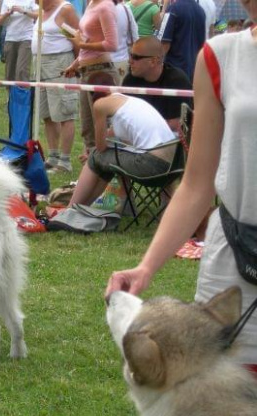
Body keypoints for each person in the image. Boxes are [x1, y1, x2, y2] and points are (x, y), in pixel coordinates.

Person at [106, 0, 257, 375]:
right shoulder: (220, 56)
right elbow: (196, 184)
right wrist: (146, 267)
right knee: (225, 410)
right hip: (234, 265)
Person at [68, 72, 177, 207]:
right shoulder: (129, 102)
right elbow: (112, 138)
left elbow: (100, 147)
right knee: (106, 162)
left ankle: (71, 208)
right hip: (173, 168)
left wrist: (91, 152)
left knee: (97, 157)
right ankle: (82, 208)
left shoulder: (100, 104)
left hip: (153, 166)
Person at [63, 0, 119, 163]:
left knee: (102, 126)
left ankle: (107, 173)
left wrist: (80, 44)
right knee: (88, 128)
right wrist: (75, 64)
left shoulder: (105, 6)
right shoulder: (91, 4)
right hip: (86, 72)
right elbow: (88, 41)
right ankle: (92, 170)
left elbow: (112, 44)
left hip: (101, 72)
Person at [31, 0, 80, 172]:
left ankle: (65, 161)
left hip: (60, 63)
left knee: (65, 112)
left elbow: (77, 39)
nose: (35, 1)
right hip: (40, 65)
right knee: (47, 113)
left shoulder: (65, 9)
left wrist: (76, 65)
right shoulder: (41, 11)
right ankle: (52, 157)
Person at [122, 36, 192, 132]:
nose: (130, 61)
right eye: (130, 55)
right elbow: (123, 117)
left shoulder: (177, 81)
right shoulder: (130, 80)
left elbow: (176, 124)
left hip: (171, 141)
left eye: (135, 57)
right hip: (137, 139)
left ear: (154, 61)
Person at [157, 0, 206, 82]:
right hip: (194, 69)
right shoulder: (201, 11)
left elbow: (164, 42)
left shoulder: (173, 9)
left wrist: (157, 63)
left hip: (173, 68)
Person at [0, 0, 39, 82]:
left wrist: (24, 11)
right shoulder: (7, 1)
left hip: (26, 38)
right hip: (10, 38)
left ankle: (22, 93)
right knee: (9, 72)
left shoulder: (32, 1)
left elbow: (39, 15)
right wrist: (7, 14)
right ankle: (11, 94)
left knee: (22, 70)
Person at [111, 0, 139, 79]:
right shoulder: (125, 9)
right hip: (121, 61)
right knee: (121, 90)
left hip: (98, 63)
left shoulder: (94, 9)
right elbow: (135, 37)